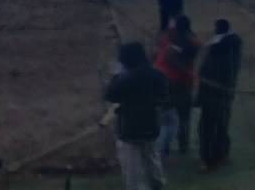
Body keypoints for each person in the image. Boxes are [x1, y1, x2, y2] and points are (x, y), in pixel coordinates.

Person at [104, 41, 169, 190]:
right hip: (151, 125)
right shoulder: (157, 74)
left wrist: (114, 77)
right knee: (152, 159)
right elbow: (164, 96)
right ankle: (158, 185)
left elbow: (110, 95)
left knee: (132, 168)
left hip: (129, 128)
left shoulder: (123, 79)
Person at [197, 18, 243, 171]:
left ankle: (208, 159)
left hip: (212, 96)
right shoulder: (233, 52)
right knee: (221, 126)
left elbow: (202, 74)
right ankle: (219, 156)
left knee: (208, 128)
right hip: (223, 96)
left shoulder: (216, 55)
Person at [153, 15, 201, 156]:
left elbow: (177, 58)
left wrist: (172, 56)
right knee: (178, 117)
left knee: (172, 117)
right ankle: (176, 147)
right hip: (175, 82)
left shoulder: (186, 41)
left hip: (174, 82)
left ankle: (172, 147)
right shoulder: (184, 38)